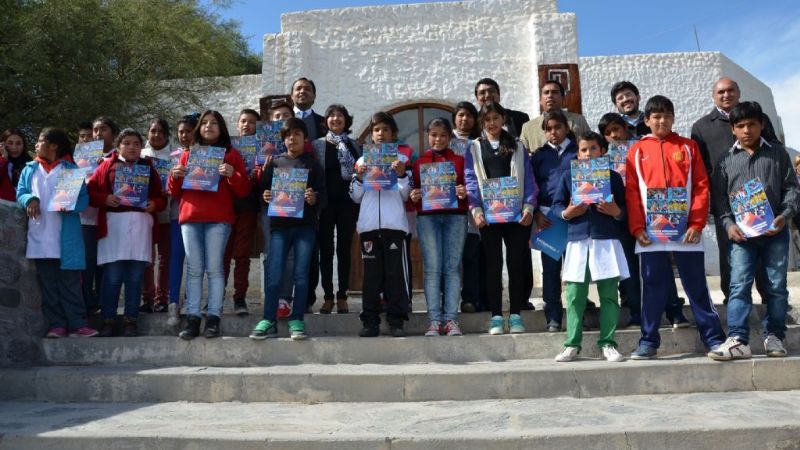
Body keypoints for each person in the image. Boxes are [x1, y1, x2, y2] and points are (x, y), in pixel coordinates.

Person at [625, 95, 726, 360]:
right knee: (653, 287)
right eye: (656, 116)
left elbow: (702, 186)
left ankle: (714, 339)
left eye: (667, 115)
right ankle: (648, 341)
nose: (662, 120)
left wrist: (696, 223)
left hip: (686, 232)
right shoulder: (637, 150)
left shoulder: (688, 147)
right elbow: (633, 192)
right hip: (650, 233)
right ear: (646, 121)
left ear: (673, 118)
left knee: (696, 287)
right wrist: (637, 228)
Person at [708, 101, 799, 361]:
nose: (746, 130)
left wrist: (783, 216)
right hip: (742, 236)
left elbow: (792, 189)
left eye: (751, 124)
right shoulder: (725, 160)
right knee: (738, 285)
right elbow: (720, 199)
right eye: (740, 126)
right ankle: (738, 339)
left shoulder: (778, 154)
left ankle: (775, 336)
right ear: (733, 130)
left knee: (776, 287)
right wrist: (729, 224)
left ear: (761, 125)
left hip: (775, 232)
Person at [691, 77, 778, 304]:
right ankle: (734, 301)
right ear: (713, 96)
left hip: (761, 200)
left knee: (763, 252)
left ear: (739, 92)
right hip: (726, 202)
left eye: (731, 90)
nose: (726, 95)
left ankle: (769, 298)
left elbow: (775, 152)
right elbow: (700, 167)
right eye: (721, 92)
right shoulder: (701, 127)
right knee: (730, 253)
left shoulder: (758, 117)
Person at [598, 113, 690, 329]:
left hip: (650, 213)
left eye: (617, 129)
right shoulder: (601, 159)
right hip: (619, 216)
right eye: (608, 133)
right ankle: (636, 315)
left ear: (626, 129)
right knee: (629, 269)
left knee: (660, 263)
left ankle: (674, 312)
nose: (614, 135)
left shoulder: (643, 148)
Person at [169, 110, 251, 340]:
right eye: (204, 123)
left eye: (213, 123)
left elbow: (243, 190)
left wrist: (233, 174)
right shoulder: (187, 154)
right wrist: (174, 176)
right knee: (194, 270)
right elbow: (173, 192)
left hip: (219, 219)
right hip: (190, 218)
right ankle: (193, 318)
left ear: (221, 128)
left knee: (214, 269)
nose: (208, 126)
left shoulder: (231, 155)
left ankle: (213, 317)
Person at [552, 131, 628, 362]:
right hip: (577, 240)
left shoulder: (613, 177)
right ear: (578, 153)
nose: (588, 154)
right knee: (575, 294)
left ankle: (608, 343)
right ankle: (572, 344)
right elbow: (556, 206)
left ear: (602, 151)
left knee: (608, 294)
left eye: (593, 148)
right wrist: (568, 213)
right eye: (583, 150)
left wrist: (616, 212)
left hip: (605, 239)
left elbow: (625, 209)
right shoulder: (568, 177)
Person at [17, 128, 98, 338]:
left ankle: (78, 323)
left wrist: (71, 206)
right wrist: (30, 200)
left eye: (41, 140)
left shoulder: (71, 170)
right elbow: (21, 192)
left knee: (70, 283)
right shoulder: (30, 169)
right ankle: (57, 325)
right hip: (40, 236)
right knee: (49, 286)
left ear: (53, 146)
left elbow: (83, 199)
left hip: (66, 237)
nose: (36, 144)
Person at [464, 102, 537, 335]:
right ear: (481, 122)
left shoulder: (516, 145)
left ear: (503, 119)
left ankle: (515, 315)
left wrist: (529, 206)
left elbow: (529, 178)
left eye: (496, 118)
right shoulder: (474, 147)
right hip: (488, 217)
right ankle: (496, 315)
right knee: (492, 266)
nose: (492, 123)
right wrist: (476, 210)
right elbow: (471, 180)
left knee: (516, 264)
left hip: (516, 216)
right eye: (487, 120)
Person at [250, 118, 324, 340]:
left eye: (297, 134)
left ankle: (297, 320)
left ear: (305, 138)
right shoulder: (275, 163)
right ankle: (268, 319)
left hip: (305, 228)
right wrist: (265, 196)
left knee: (301, 276)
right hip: (279, 228)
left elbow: (323, 196)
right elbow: (264, 192)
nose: (292, 138)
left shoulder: (313, 164)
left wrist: (314, 198)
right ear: (283, 139)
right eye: (288, 135)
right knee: (274, 274)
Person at [88, 129, 166, 337]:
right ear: (118, 145)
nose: (132, 147)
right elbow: (91, 191)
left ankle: (131, 321)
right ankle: (107, 320)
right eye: (127, 143)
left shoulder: (148, 167)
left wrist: (153, 204)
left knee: (135, 277)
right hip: (114, 227)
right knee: (112, 277)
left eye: (136, 144)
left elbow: (161, 197)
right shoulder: (107, 166)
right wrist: (104, 199)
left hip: (140, 227)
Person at [351, 112, 412, 337]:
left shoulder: (402, 161)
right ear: (371, 134)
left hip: (394, 226)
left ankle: (397, 320)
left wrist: (402, 175)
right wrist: (358, 177)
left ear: (393, 134)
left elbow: (407, 196)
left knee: (395, 275)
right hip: (368, 228)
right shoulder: (362, 161)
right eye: (377, 130)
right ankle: (370, 322)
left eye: (386, 130)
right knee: (371, 277)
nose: (381, 134)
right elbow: (355, 197)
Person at [410, 118, 468, 336]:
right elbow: (412, 193)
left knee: (452, 268)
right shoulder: (419, 162)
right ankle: (434, 320)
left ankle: (451, 320)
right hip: (428, 219)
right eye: (434, 135)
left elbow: (469, 187)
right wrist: (414, 195)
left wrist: (464, 192)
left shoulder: (460, 161)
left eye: (443, 135)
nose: (438, 139)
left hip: (456, 217)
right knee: (433, 269)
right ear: (428, 136)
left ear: (450, 137)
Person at [530, 110, 577, 331]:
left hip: (576, 216)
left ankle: (579, 313)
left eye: (557, 127)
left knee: (576, 267)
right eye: (548, 129)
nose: (553, 132)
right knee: (550, 269)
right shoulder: (539, 156)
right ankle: (553, 316)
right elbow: (533, 187)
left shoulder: (578, 151)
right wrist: (537, 214)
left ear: (566, 128)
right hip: (548, 218)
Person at [313, 104, 361, 314]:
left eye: (339, 115)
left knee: (344, 249)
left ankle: (342, 295)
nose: (335, 118)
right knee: (326, 250)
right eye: (331, 115)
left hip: (348, 203)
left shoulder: (355, 145)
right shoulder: (317, 145)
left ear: (346, 120)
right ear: (326, 121)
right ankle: (328, 296)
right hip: (325, 204)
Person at [222, 108, 262, 316]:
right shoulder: (227, 148)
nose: (247, 125)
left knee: (242, 255)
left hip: (248, 206)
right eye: (243, 121)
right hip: (226, 206)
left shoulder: (264, 148)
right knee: (223, 254)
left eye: (252, 122)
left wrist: (258, 172)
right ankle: (217, 297)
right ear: (237, 125)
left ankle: (239, 298)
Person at [81, 117, 120, 316]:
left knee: (106, 264)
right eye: (95, 130)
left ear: (113, 134)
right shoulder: (81, 157)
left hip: (110, 218)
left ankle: (106, 307)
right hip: (86, 218)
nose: (97, 134)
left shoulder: (121, 158)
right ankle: (88, 305)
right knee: (87, 263)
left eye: (103, 129)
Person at [452, 102, 488, 313]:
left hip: (476, 203)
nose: (465, 120)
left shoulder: (479, 143)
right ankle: (450, 300)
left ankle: (472, 298)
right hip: (450, 205)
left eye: (469, 116)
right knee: (454, 257)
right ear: (454, 118)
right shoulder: (447, 140)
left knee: (474, 255)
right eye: (461, 115)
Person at [166, 113, 198, 327]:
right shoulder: (172, 156)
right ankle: (172, 303)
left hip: (197, 213)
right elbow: (167, 186)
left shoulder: (206, 155)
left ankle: (190, 301)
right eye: (181, 132)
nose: (185, 135)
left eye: (188, 131)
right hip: (177, 213)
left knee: (195, 262)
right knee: (175, 258)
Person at [140, 118, 172, 314]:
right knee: (146, 258)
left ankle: (162, 298)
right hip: (145, 213)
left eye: (161, 131)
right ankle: (148, 298)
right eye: (153, 131)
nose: (157, 135)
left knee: (165, 258)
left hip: (167, 212)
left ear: (167, 135)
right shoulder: (140, 155)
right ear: (147, 133)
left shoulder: (175, 156)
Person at [520, 79, 591, 153]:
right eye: (546, 92)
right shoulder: (527, 128)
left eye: (554, 92)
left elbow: (591, 145)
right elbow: (524, 158)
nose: (550, 95)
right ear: (540, 100)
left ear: (563, 98)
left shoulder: (579, 120)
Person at [1, 128, 33, 201]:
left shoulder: (30, 165)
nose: (14, 147)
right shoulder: (2, 161)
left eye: (18, 144)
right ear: (3, 144)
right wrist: (3, 159)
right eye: (10, 143)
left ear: (23, 145)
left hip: (23, 209)